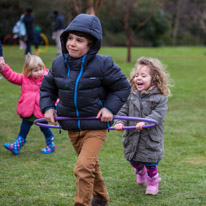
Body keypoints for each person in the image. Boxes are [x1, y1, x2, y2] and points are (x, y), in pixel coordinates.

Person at [40, 13, 131, 206]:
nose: (72, 43)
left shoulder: (103, 64)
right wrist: (48, 107)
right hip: (71, 125)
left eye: (79, 40)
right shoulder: (58, 63)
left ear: (91, 45)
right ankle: (101, 196)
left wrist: (109, 108)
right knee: (90, 165)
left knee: (82, 167)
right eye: (70, 38)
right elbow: (47, 88)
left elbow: (122, 86)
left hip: (95, 126)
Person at [114, 57, 172, 195]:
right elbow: (123, 110)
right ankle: (140, 170)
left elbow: (158, 115)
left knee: (150, 162)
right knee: (132, 159)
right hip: (132, 136)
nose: (138, 78)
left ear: (154, 78)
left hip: (149, 137)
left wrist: (145, 122)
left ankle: (152, 180)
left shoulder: (160, 98)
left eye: (143, 75)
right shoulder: (131, 95)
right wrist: (120, 122)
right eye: (137, 75)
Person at [0, 53, 56, 155]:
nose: (39, 72)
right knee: (24, 128)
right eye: (35, 70)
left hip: (41, 111)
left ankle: (50, 144)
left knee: (45, 128)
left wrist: (54, 106)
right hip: (28, 110)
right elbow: (12, 76)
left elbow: (53, 93)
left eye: (40, 69)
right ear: (28, 71)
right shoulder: (24, 79)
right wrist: (4, 69)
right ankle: (16, 146)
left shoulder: (47, 79)